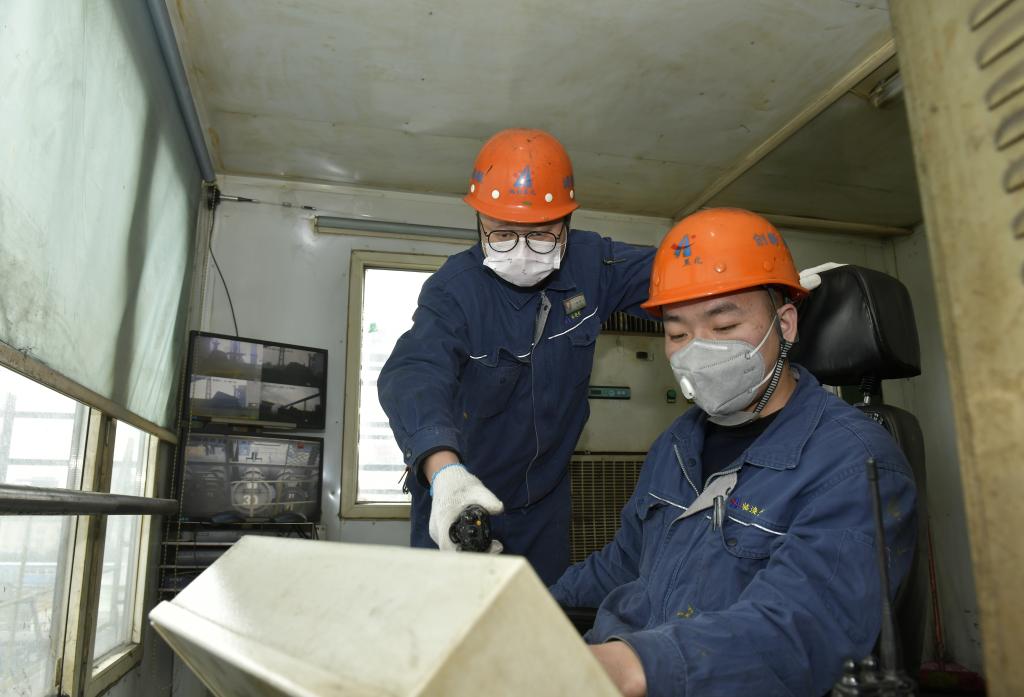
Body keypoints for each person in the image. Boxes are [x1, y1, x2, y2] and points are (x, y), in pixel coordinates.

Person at [549, 208, 918, 697]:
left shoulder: (854, 463)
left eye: (723, 326)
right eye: (677, 334)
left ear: (785, 324)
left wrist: (630, 666)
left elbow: (800, 630)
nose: (698, 351)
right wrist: (530, 609)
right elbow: (625, 563)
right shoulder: (676, 445)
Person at [377, 128, 655, 585]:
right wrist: (445, 474)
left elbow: (681, 276)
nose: (522, 252)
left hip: (543, 506)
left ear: (566, 223)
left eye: (542, 235)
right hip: (460, 495)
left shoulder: (593, 264)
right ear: (479, 221)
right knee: (451, 619)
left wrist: (757, 290)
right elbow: (414, 372)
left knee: (538, 615)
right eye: (503, 234)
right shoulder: (454, 290)